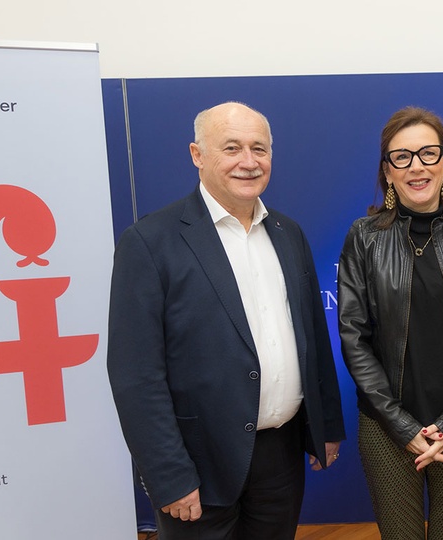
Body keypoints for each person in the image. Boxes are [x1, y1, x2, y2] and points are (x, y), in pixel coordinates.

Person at [107, 101, 345, 540]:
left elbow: (311, 334)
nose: (249, 162)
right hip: (198, 463)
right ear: (198, 155)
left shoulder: (288, 233)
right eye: (231, 148)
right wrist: (169, 475)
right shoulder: (149, 242)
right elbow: (135, 375)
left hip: (281, 456)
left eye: (260, 148)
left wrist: (326, 423)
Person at [336, 106, 443, 539]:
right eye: (402, 157)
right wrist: (403, 426)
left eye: (429, 154)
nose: (417, 166)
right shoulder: (363, 237)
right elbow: (353, 338)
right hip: (386, 428)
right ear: (387, 171)